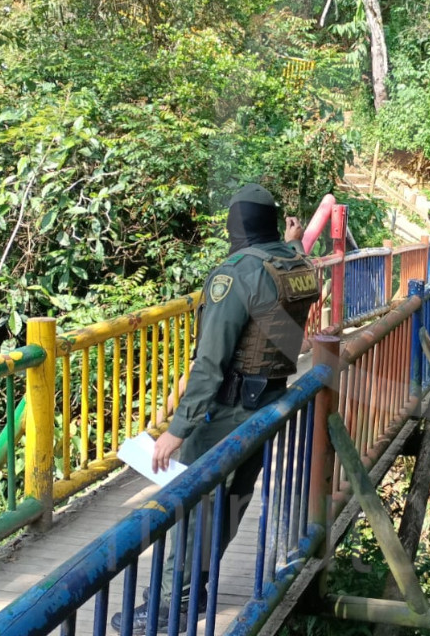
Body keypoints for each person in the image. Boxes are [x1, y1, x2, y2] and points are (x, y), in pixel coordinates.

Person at [112, 184, 320, 633]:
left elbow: (210, 363)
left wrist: (177, 430)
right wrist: (294, 239)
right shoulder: (293, 262)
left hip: (227, 409)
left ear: (235, 224)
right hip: (269, 404)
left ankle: (170, 605)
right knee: (233, 501)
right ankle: (196, 589)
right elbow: (280, 285)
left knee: (195, 503)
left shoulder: (236, 274)